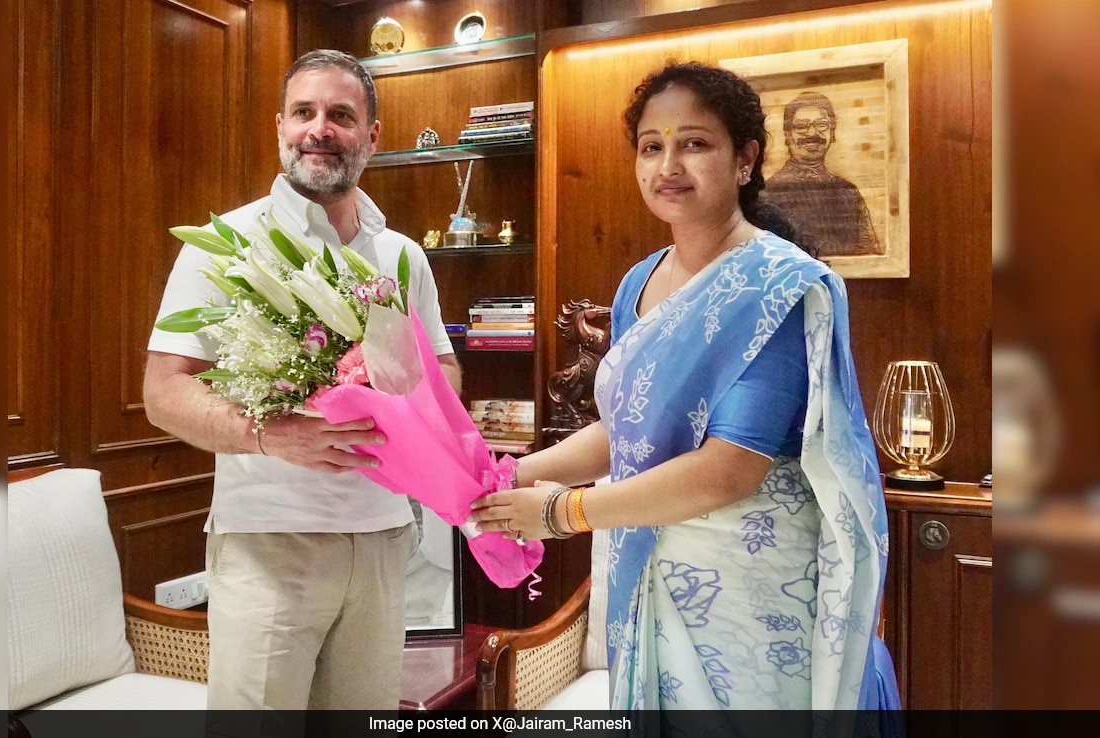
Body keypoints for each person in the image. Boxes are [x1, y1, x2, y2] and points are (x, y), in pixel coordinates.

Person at [470, 63, 899, 716]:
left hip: (752, 600)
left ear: (745, 159)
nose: (668, 163)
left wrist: (562, 512)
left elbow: (730, 469)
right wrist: (511, 474)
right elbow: (626, 427)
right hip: (653, 572)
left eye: (694, 143)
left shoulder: (777, 286)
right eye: (651, 146)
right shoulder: (638, 282)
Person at [143, 49, 461, 711]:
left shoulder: (401, 254)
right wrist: (269, 435)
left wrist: (397, 392)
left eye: (341, 115)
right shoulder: (225, 243)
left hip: (380, 539)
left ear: (371, 137)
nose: (320, 128)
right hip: (267, 541)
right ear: (280, 126)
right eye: (304, 112)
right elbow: (164, 391)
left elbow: (444, 369)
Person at [763, 90, 880, 257]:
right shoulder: (768, 194)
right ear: (788, 135)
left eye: (821, 124)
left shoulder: (849, 193)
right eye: (802, 126)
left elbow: (869, 255)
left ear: (832, 133)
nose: (812, 133)